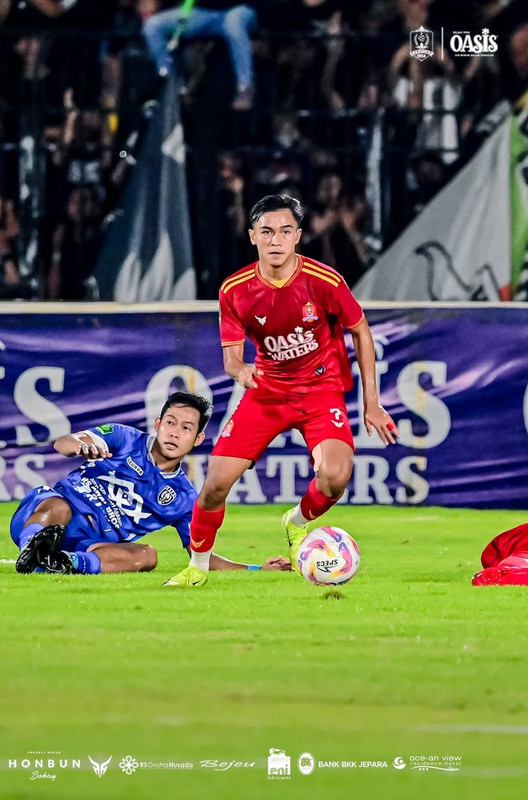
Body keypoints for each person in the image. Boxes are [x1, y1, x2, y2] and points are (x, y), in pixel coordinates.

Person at [164, 194, 399, 588]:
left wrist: (371, 402)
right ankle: (197, 567)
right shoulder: (235, 290)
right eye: (268, 232)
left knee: (336, 477)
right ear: (253, 235)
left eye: (285, 232)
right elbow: (232, 359)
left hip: (320, 392)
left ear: (298, 237)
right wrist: (240, 370)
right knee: (214, 486)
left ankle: (296, 522)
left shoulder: (324, 281)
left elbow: (360, 330)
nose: (276, 240)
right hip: (266, 392)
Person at [12, 390, 291, 575]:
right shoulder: (124, 438)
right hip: (44, 516)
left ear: (197, 440)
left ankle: (63, 563)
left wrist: (257, 569)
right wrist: (80, 445)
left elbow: (201, 557)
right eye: (170, 422)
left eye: (186, 428)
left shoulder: (183, 499)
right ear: (157, 424)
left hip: (90, 544)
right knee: (58, 507)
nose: (174, 433)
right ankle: (31, 550)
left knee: (148, 556)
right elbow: (63, 443)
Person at [142, 1, 257, 110]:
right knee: (153, 25)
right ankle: (171, 86)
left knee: (233, 21)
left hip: (240, 9)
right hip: (203, 13)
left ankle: (245, 86)